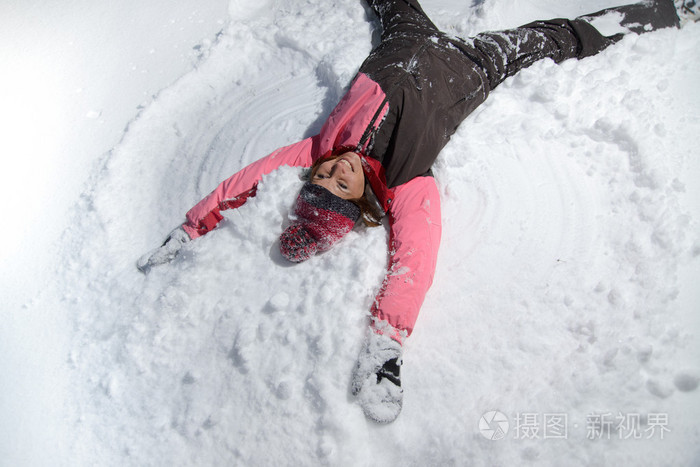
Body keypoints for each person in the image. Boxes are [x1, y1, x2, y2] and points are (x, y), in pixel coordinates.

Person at [137, 0, 696, 423]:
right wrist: (386, 343)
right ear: (359, 202)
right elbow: (415, 258)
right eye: (341, 182)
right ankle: (665, 11)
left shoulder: (319, 149)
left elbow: (247, 180)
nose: (338, 168)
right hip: (464, 68)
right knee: (541, 39)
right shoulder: (408, 183)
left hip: (402, 43)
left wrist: (194, 227)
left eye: (325, 175)